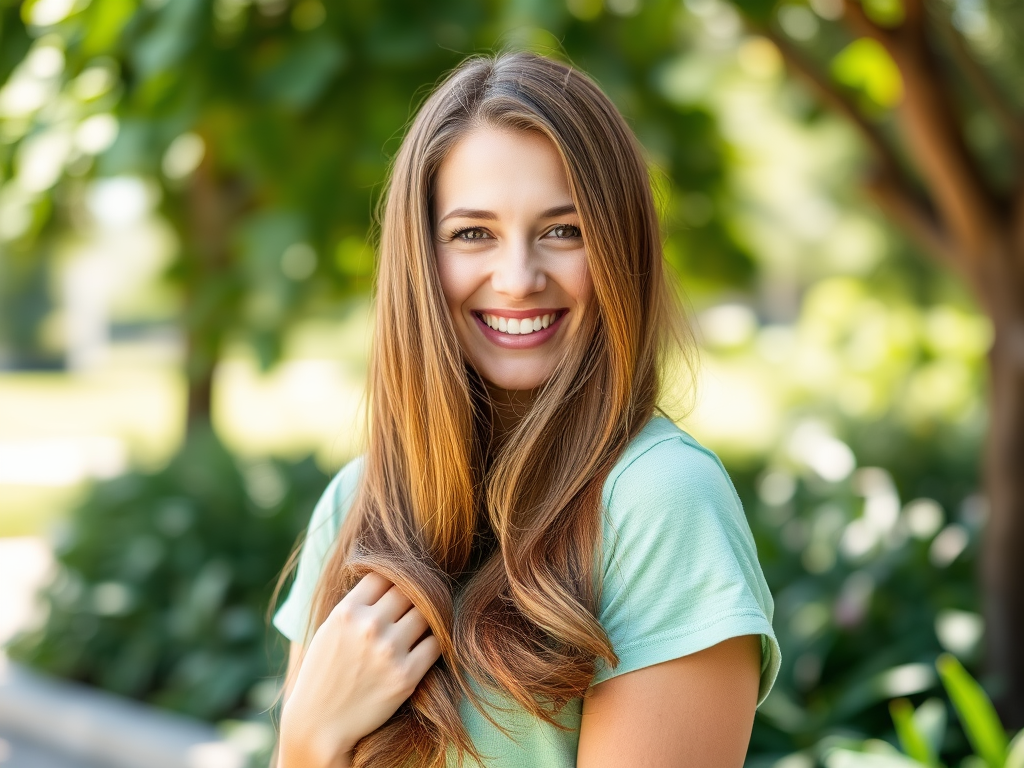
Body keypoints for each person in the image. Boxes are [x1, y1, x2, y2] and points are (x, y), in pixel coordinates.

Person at [271, 50, 781, 768]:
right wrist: (308, 740)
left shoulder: (658, 503)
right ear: (420, 258)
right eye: (473, 233)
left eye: (563, 231)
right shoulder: (357, 502)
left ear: (618, 245)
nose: (517, 278)